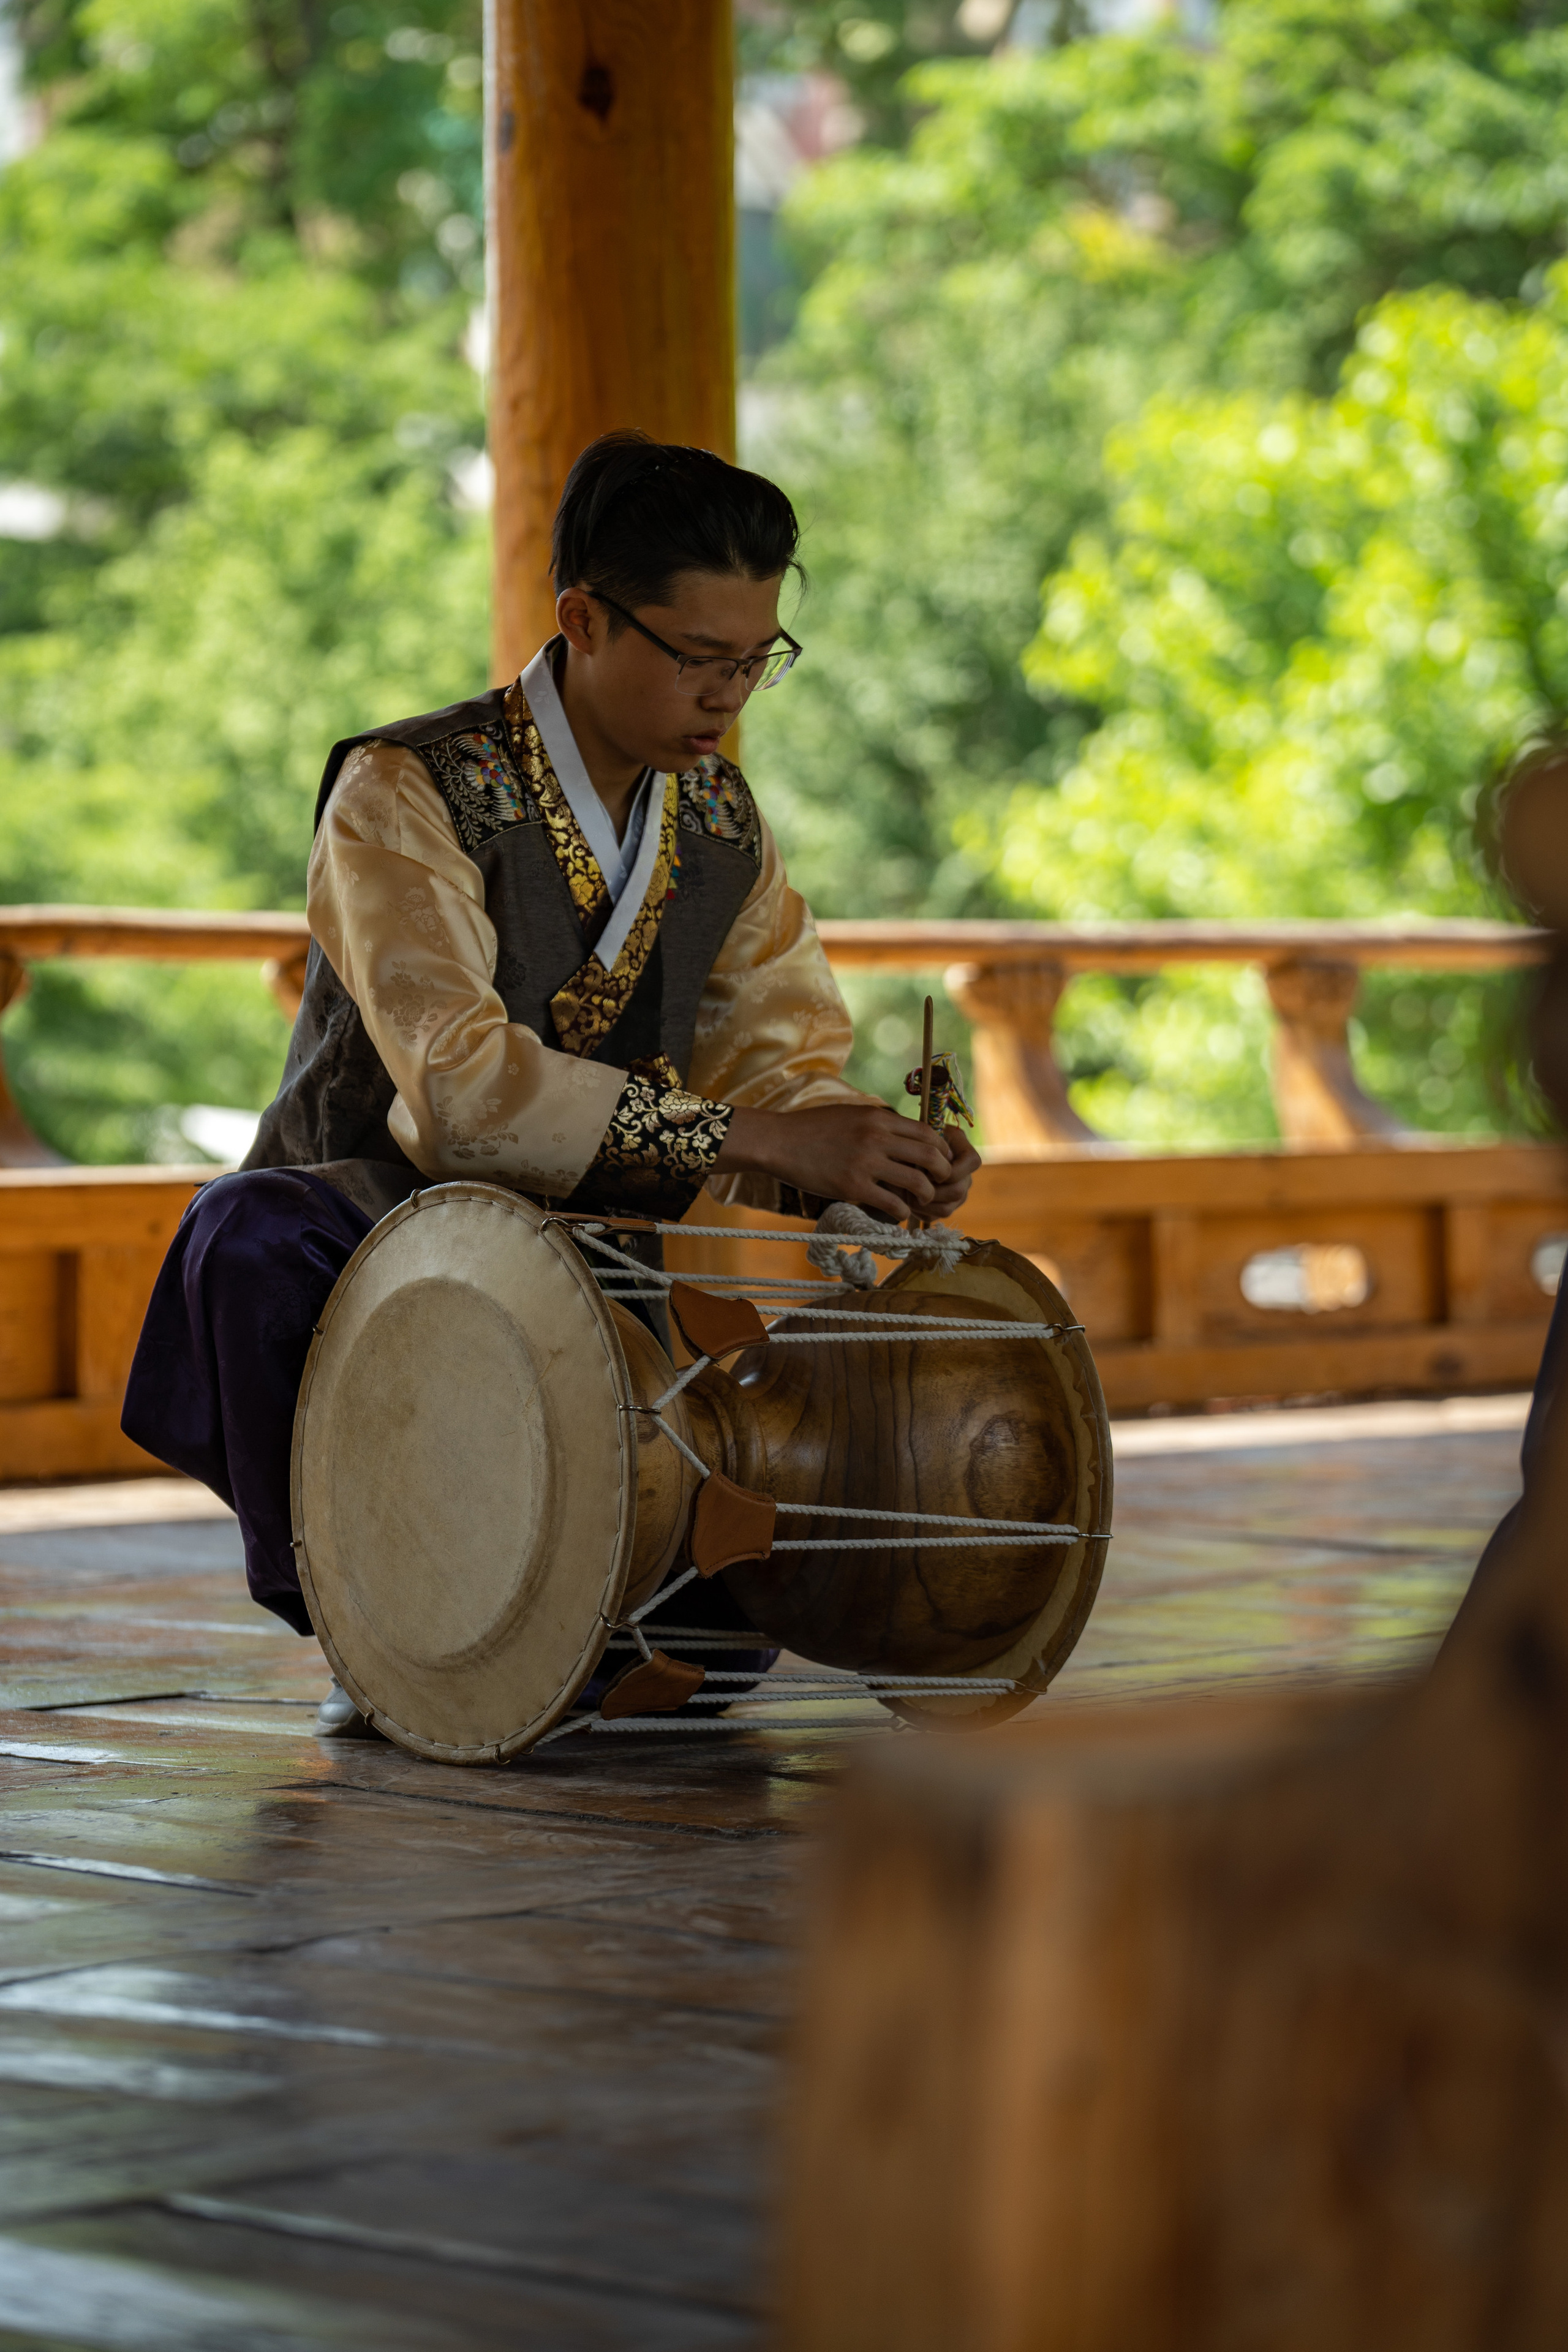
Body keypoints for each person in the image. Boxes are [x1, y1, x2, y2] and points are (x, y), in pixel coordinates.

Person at [122, 430, 981, 1732]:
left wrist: (854, 1158)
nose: (728, 698)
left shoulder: (721, 823)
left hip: (602, 1266)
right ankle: (381, 1619)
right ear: (581, 616)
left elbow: (778, 1061)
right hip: (378, 1234)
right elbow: (462, 1092)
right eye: (699, 658)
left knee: (716, 1652)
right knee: (237, 1238)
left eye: (756, 661)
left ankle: (567, 1610)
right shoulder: (406, 791)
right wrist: (766, 1136)